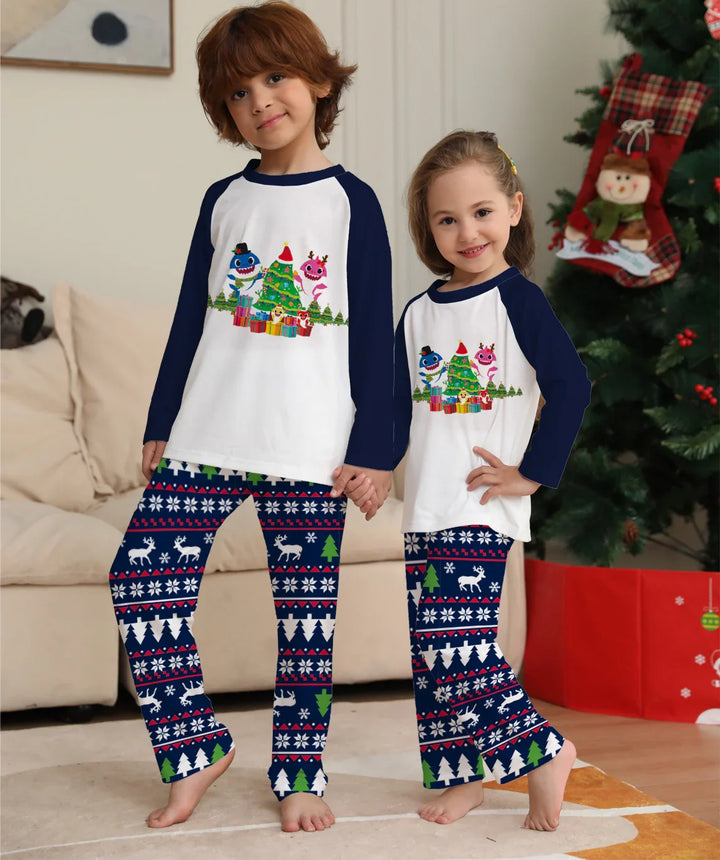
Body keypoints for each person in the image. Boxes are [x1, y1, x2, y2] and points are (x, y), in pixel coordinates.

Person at [108, 1, 393, 834]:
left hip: (310, 444)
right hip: (208, 432)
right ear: (223, 110)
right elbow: (188, 321)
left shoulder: (353, 202)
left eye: (275, 77)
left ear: (318, 82)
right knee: (140, 582)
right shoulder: (222, 199)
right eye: (237, 93)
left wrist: (376, 450)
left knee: (306, 621)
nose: (260, 101)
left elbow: (374, 339)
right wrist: (162, 419)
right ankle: (194, 745)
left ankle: (299, 775)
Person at [393, 130, 591, 830]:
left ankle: (543, 752)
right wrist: (368, 467)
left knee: (458, 648)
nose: (467, 232)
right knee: (432, 657)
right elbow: (395, 409)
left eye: (481, 212)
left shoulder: (520, 302)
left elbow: (571, 386)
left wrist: (532, 473)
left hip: (479, 504)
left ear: (514, 209)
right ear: (429, 229)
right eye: (447, 219)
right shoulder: (418, 313)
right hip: (425, 507)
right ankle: (460, 777)